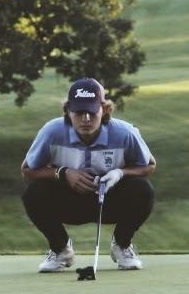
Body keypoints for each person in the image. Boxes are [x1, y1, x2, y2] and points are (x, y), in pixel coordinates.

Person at [21, 78, 156, 273]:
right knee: (33, 194)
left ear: (105, 109)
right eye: (78, 112)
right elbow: (28, 169)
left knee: (142, 190)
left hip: (110, 202)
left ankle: (122, 245)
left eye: (92, 111)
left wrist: (120, 173)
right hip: (69, 202)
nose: (85, 118)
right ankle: (60, 250)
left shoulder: (124, 133)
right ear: (68, 111)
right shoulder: (52, 131)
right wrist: (63, 173)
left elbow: (149, 165)